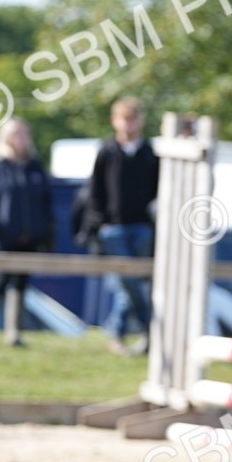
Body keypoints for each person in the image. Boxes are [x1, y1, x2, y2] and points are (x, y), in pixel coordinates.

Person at [0, 118, 55, 347]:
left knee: (21, 283)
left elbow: (46, 203)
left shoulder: (35, 166)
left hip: (30, 239)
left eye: (25, 134)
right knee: (1, 280)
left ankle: (13, 333)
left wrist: (43, 230)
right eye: (17, 134)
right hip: (3, 238)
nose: (22, 139)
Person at [86, 97, 160, 356]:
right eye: (123, 119)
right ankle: (145, 329)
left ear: (140, 121)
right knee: (128, 281)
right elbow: (95, 190)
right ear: (115, 121)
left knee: (130, 284)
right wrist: (99, 222)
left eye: (133, 118)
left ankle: (121, 333)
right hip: (114, 227)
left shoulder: (150, 152)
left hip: (142, 226)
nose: (128, 125)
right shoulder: (107, 151)